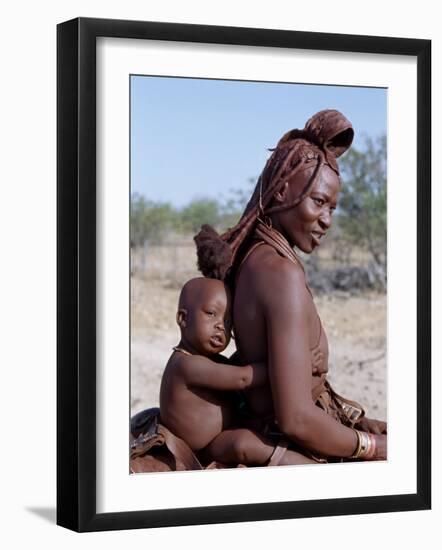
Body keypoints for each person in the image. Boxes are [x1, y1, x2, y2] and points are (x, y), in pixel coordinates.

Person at [194, 109, 387, 463]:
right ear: (283, 190)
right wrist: (372, 447)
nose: (327, 220)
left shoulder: (256, 255)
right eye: (318, 202)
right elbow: (296, 417)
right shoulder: (279, 273)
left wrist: (356, 423)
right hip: (282, 438)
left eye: (333, 208)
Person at [159, 276, 322, 466]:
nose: (221, 325)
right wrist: (293, 363)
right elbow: (243, 378)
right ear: (183, 318)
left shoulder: (210, 361)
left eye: (228, 321)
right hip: (202, 449)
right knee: (243, 443)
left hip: (219, 436)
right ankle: (309, 469)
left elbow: (236, 369)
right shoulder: (186, 365)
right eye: (211, 313)